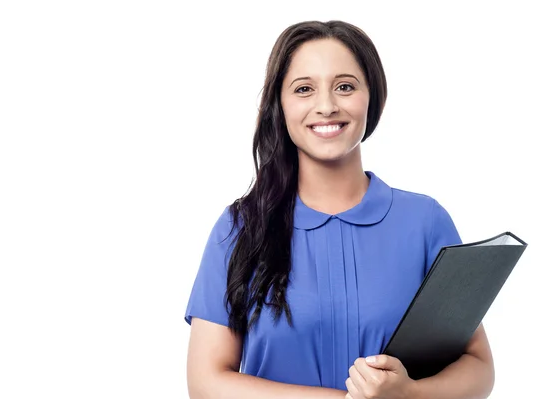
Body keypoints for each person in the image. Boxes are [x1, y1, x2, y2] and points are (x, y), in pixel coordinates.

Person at [183, 20, 495, 399]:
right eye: (304, 89)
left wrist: (407, 394)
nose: (327, 106)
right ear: (279, 105)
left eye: (345, 86)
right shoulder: (240, 227)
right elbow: (206, 382)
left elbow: (478, 366)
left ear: (372, 96)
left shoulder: (425, 222)